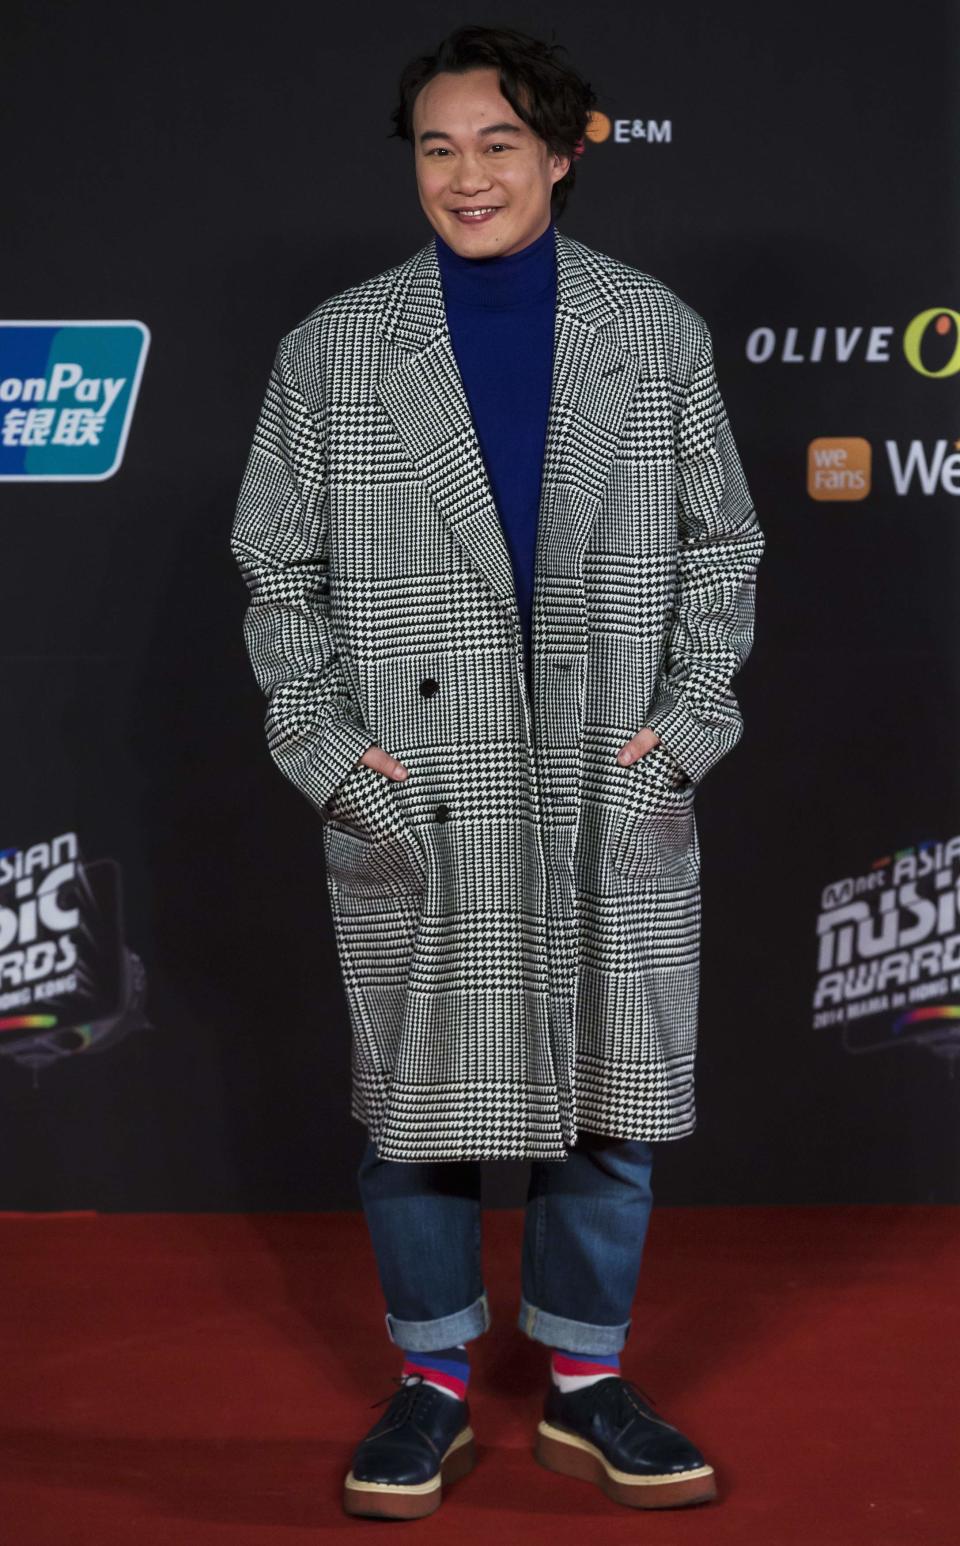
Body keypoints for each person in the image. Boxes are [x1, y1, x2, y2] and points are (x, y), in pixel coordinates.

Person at [231, 23, 764, 1522]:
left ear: (562, 152)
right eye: (438, 148)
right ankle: (434, 1384)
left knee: (609, 1093)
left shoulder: (652, 331)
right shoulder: (336, 348)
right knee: (420, 1107)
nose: (467, 176)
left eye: (498, 145)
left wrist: (692, 719)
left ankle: (590, 1385)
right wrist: (334, 753)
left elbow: (726, 540)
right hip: (427, 776)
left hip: (609, 770)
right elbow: (277, 569)